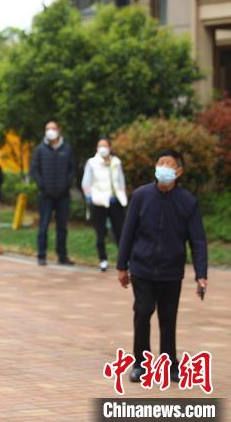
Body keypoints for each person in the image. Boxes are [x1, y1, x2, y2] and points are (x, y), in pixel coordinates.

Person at [116, 149, 208, 384]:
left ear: (178, 171)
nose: (163, 167)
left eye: (168, 164)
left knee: (168, 317)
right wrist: (121, 266)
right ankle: (141, 364)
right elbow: (128, 232)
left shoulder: (188, 201)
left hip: (171, 270)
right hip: (142, 268)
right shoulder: (141, 195)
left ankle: (169, 364)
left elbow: (197, 239)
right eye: (160, 163)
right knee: (143, 311)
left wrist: (201, 274)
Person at [30, 121, 76, 266]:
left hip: (63, 195)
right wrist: (43, 186)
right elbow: (35, 170)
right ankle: (41, 255)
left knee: (62, 227)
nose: (50, 131)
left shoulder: (67, 149)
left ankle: (62, 256)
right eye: (47, 129)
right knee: (43, 226)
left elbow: (72, 170)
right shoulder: (40, 150)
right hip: (46, 195)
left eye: (53, 128)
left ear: (59, 130)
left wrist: (66, 185)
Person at [82, 138, 128, 272]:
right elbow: (86, 182)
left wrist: (122, 195)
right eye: (100, 146)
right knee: (100, 233)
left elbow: (121, 180)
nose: (102, 148)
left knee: (120, 231)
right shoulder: (92, 163)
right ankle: (103, 260)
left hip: (115, 201)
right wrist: (89, 197)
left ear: (110, 147)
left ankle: (124, 260)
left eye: (105, 145)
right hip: (99, 201)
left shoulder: (116, 162)